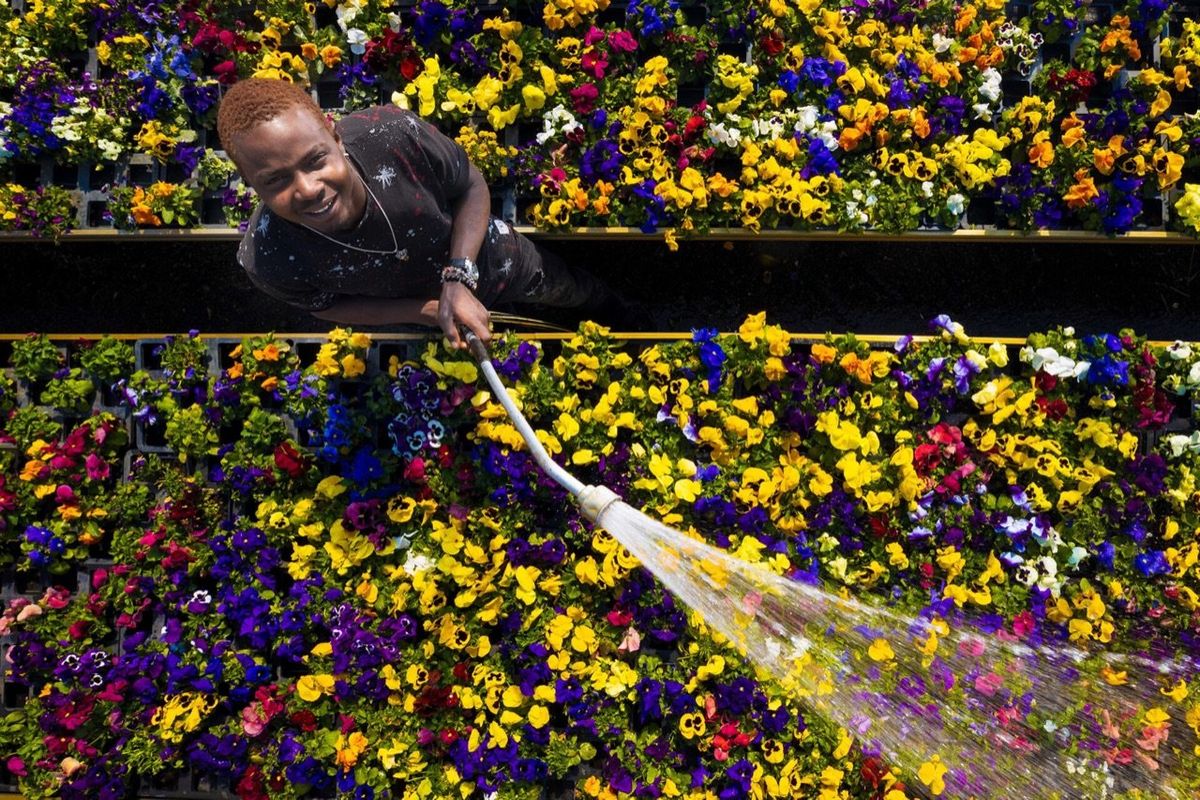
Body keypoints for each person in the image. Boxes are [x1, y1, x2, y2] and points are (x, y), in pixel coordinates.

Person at [216, 78, 623, 349]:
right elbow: (322, 304)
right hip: (425, 315)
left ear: (334, 134)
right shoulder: (267, 255)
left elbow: (471, 187)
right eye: (275, 181)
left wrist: (459, 277)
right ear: (249, 182)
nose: (307, 188)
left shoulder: (392, 136)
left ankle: (616, 311)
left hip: (494, 258)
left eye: (315, 160)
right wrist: (423, 311)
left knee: (563, 287)